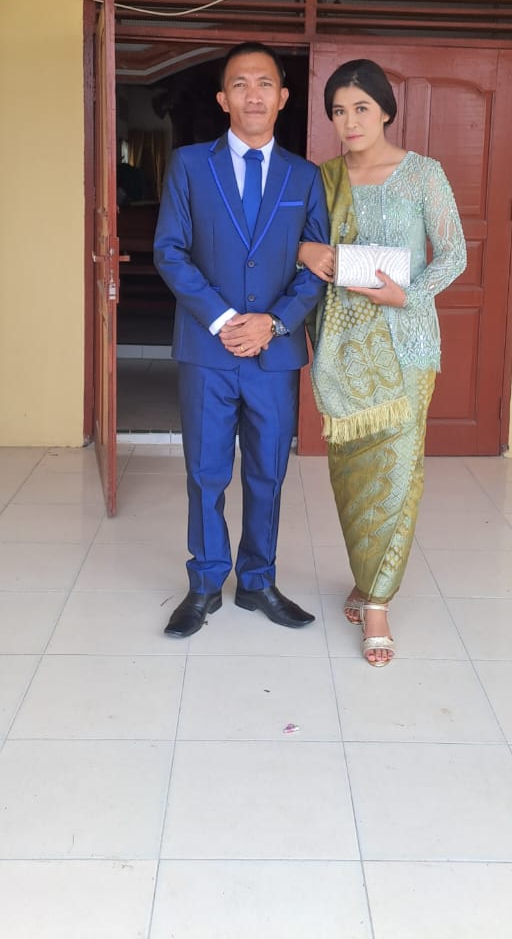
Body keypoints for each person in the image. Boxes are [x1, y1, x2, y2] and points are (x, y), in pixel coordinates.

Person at [154, 42, 329, 638]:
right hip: (208, 350)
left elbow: (315, 267)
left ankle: (257, 582)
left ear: (283, 98)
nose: (253, 95)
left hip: (273, 354)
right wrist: (225, 318)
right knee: (206, 472)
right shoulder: (189, 165)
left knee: (267, 473)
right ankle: (205, 583)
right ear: (223, 98)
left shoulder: (304, 176)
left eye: (265, 84)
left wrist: (273, 323)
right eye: (240, 84)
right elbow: (170, 251)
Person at [299, 59, 466, 667]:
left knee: (397, 472)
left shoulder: (423, 174)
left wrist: (408, 295)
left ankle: (377, 602)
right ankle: (366, 571)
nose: (350, 122)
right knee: (352, 474)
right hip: (343, 351)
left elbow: (454, 254)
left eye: (361, 109)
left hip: (406, 342)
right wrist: (305, 248)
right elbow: (295, 242)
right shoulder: (323, 179)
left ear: (386, 111)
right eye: (339, 111)